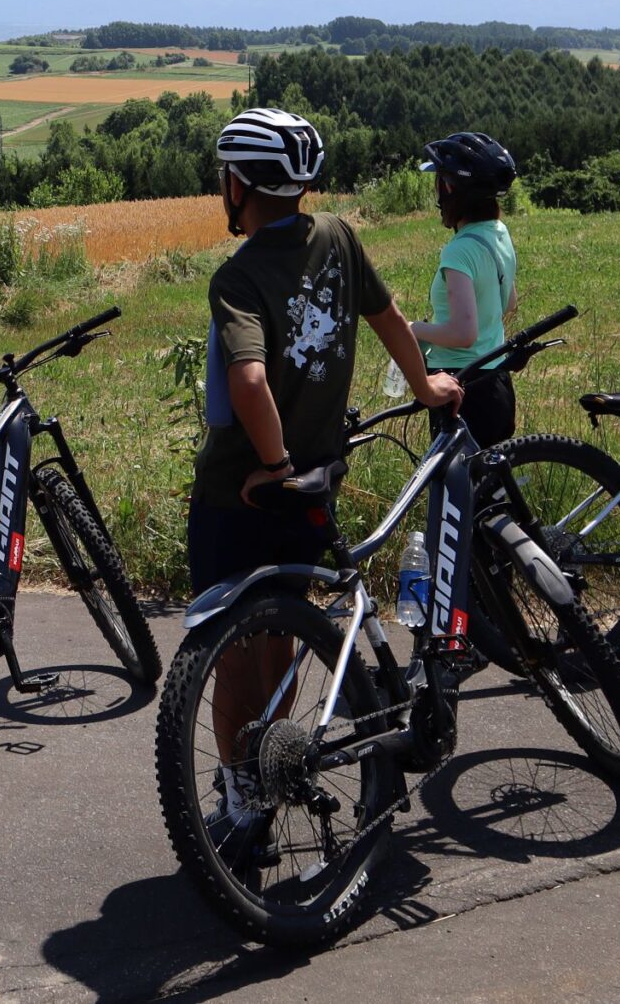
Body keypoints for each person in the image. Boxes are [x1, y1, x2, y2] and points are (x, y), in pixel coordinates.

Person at [191, 107, 462, 828]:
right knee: (280, 639)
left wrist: (273, 464)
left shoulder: (237, 276)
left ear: (238, 185)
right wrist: (425, 386)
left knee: (229, 654)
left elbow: (248, 382)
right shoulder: (339, 236)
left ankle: (243, 800)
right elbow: (390, 316)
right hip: (314, 484)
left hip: (241, 493)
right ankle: (278, 771)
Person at [407, 131, 523, 446]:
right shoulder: (498, 233)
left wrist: (411, 329)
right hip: (496, 380)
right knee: (492, 489)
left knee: (458, 490)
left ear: (449, 188)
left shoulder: (458, 251)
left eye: (438, 185)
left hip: (461, 386)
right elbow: (509, 302)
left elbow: (463, 334)